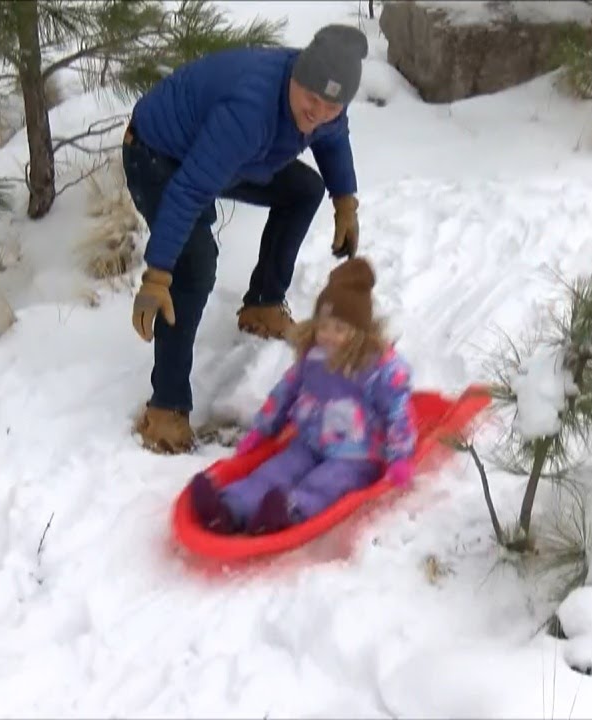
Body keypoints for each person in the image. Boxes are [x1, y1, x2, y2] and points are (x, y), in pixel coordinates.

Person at [122, 24, 371, 454]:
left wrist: (344, 198)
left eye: (332, 106)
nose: (318, 112)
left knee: (303, 190)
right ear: (296, 77)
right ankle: (166, 408)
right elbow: (190, 189)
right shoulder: (249, 109)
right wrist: (157, 273)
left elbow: (332, 138)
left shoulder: (325, 103)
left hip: (230, 155)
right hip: (158, 155)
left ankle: (263, 304)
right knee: (194, 263)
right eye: (311, 99)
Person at [187, 257, 417, 535]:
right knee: (275, 472)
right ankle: (230, 508)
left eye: (339, 329)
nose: (328, 335)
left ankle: (287, 513)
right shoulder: (312, 358)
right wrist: (263, 430)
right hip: (308, 442)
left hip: (356, 455)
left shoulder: (376, 368)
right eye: (323, 326)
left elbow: (398, 411)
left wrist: (400, 458)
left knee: (327, 482)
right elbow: (285, 392)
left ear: (359, 332)